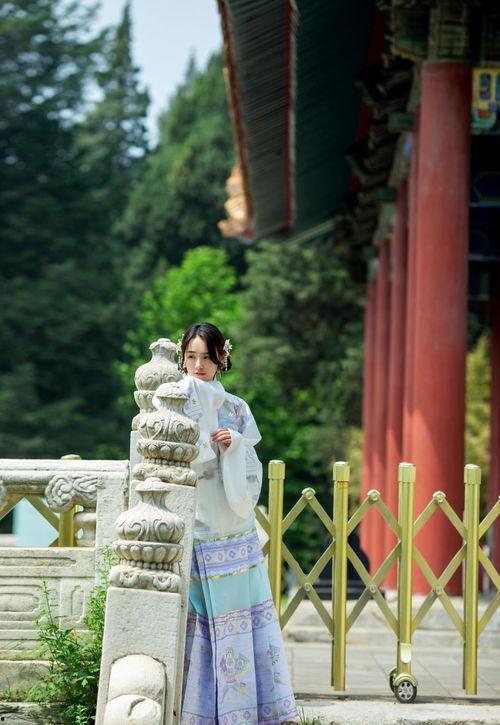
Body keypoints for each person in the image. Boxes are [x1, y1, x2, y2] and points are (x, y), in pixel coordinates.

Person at [153, 322, 296, 725]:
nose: (198, 365)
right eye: (191, 356)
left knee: (239, 612)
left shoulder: (237, 408)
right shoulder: (170, 399)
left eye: (207, 357)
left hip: (232, 523)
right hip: (194, 520)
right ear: (181, 357)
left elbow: (251, 462)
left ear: (222, 358)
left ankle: (246, 709)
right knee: (199, 613)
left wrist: (234, 443)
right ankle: (198, 710)